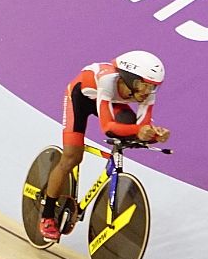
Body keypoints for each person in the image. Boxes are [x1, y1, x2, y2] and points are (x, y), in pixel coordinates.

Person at [38, 50, 171, 240]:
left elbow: (142, 127)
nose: (147, 92)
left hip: (110, 102)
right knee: (72, 157)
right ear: (129, 78)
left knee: (128, 125)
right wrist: (138, 131)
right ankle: (47, 215)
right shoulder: (108, 80)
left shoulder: (146, 94)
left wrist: (155, 135)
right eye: (144, 85)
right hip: (80, 99)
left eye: (153, 87)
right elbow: (107, 127)